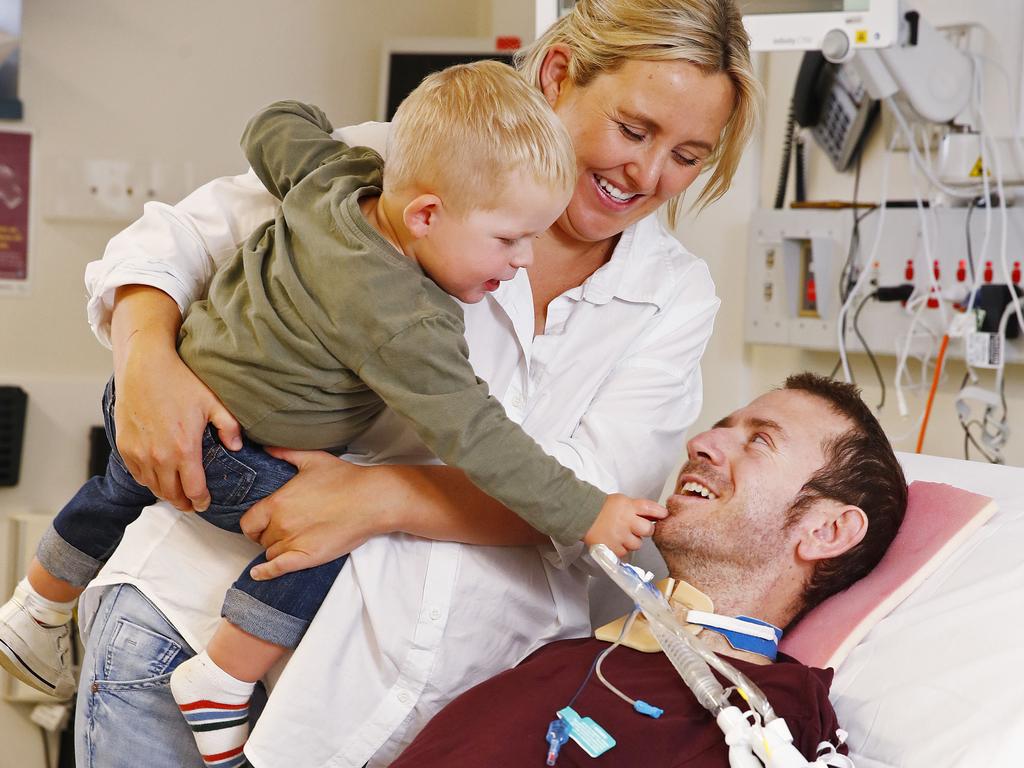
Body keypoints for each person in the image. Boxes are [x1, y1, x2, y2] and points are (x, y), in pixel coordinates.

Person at [72, 2, 762, 766]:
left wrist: (381, 498)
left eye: (690, 155)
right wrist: (144, 362)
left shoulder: (673, 295)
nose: (649, 173)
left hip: (418, 711)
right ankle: (38, 614)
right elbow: (173, 244)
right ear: (561, 74)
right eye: (633, 130)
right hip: (188, 627)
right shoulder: (396, 170)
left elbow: (592, 501)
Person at [390, 373, 908, 766]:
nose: (701, 442)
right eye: (724, 426)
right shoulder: (571, 655)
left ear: (828, 531)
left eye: (760, 441)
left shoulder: (772, 722)